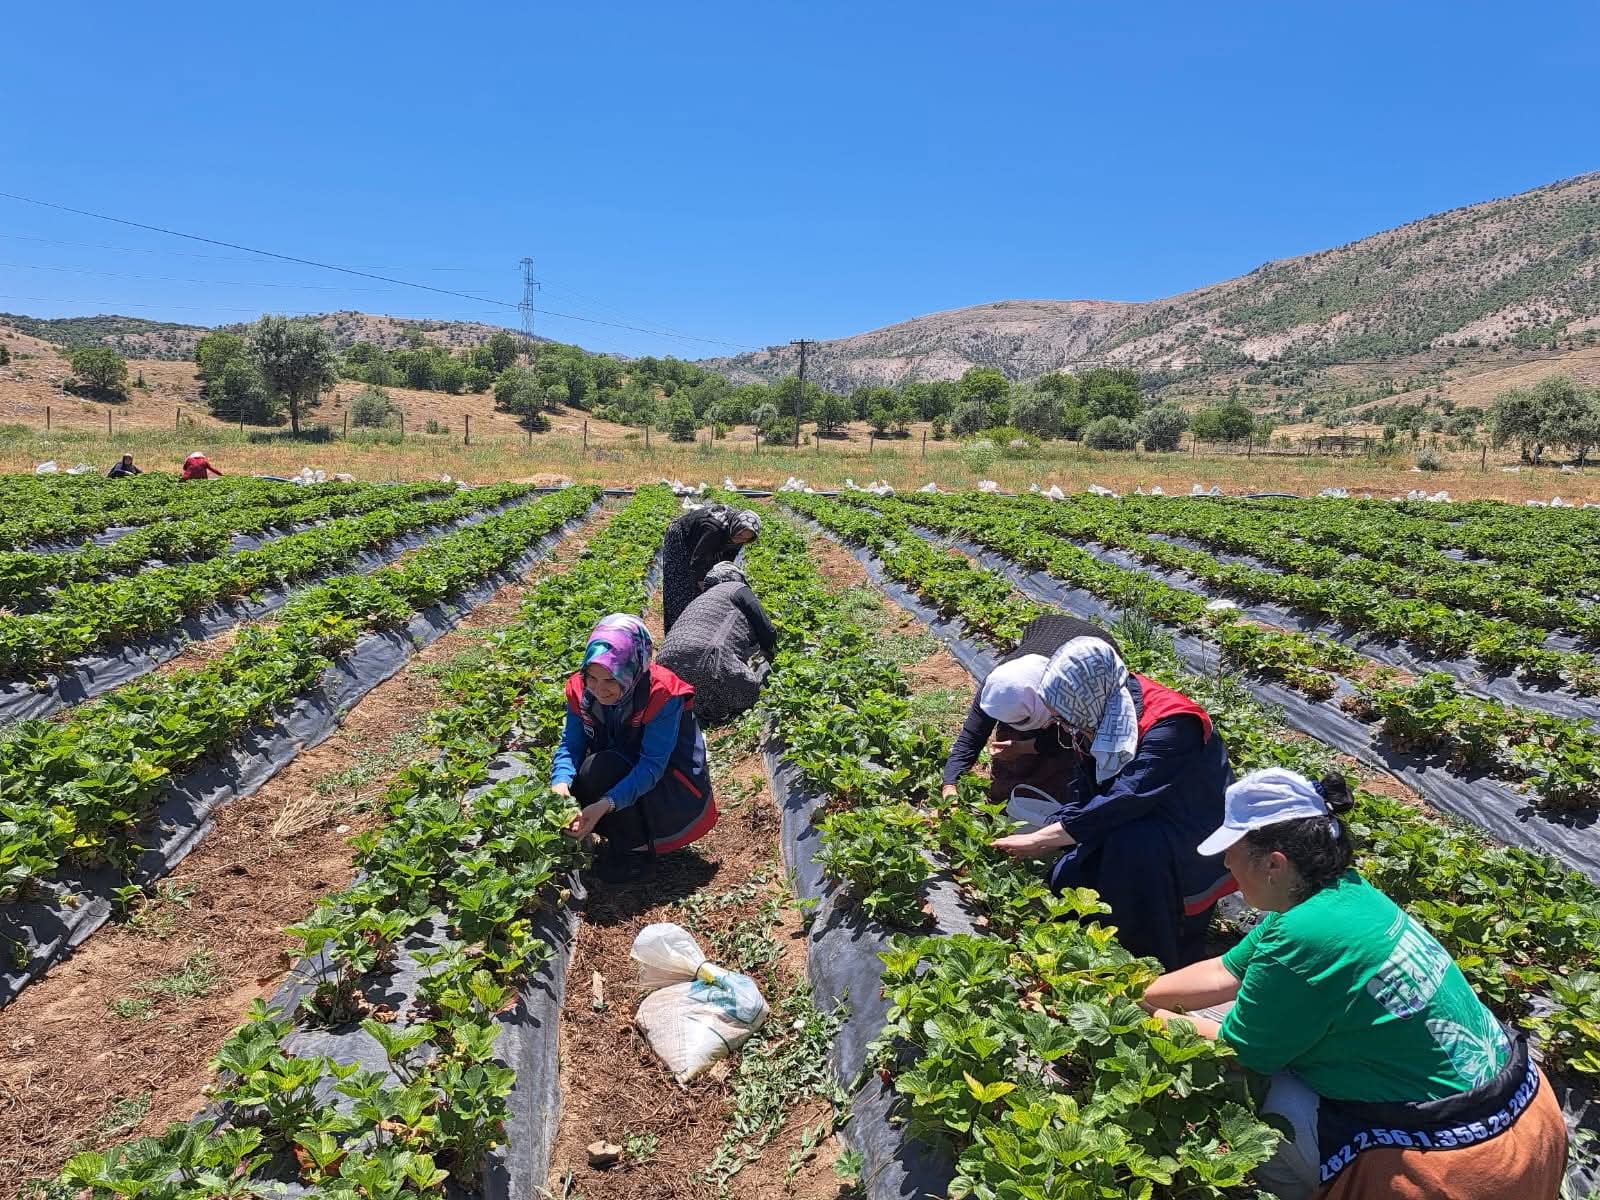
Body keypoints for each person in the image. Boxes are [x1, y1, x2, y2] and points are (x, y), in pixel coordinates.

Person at [1141, 768, 1569, 1199]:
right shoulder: (1343, 893)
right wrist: (1139, 993)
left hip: (1465, 1159)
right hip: (1526, 1114)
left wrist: (1143, 1020)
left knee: (1255, 1091)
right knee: (1234, 1015)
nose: (1225, 864)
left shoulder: (1304, 936)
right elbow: (1226, 971)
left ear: (1274, 863)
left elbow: (1241, 1053)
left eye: (1232, 852)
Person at [989, 637, 1234, 968]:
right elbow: (1086, 788)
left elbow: (1128, 797)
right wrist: (1059, 827)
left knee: (1130, 861)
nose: (1065, 727)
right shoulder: (1098, 708)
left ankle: (1147, 966)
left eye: (1066, 720)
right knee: (1067, 878)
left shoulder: (1173, 725)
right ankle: (1084, 952)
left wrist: (1043, 838)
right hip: (1130, 816)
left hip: (1188, 828)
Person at [553, 614, 717, 882]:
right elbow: (571, 745)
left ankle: (635, 855)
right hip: (621, 761)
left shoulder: (662, 694)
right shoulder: (580, 691)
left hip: (667, 782)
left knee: (600, 769)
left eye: (610, 679)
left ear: (633, 667)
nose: (599, 689)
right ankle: (605, 835)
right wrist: (560, 784)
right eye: (592, 677)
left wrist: (606, 804)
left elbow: (652, 765)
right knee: (576, 779)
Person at [940, 614, 1122, 804]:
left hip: (1094, 651)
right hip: (1046, 634)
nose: (1016, 726)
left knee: (1070, 760)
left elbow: (1075, 738)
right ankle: (1004, 799)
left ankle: (1059, 801)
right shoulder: (998, 687)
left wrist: (1027, 747)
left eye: (1023, 720)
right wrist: (950, 784)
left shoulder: (1075, 690)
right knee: (1013, 747)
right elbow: (971, 736)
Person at [657, 561, 779, 724]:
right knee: (756, 680)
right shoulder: (736, 588)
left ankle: (698, 707)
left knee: (697, 698)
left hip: (665, 671)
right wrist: (770, 652)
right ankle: (718, 706)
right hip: (708, 661)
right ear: (735, 577)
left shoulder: (700, 600)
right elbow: (766, 629)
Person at [660, 504, 761, 633]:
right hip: (681, 536)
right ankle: (675, 628)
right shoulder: (714, 529)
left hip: (708, 539)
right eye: (740, 535)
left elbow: (726, 561)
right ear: (736, 527)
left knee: (706, 579)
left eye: (745, 539)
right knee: (679, 583)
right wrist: (704, 588)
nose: (740, 539)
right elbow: (698, 561)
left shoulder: (738, 532)